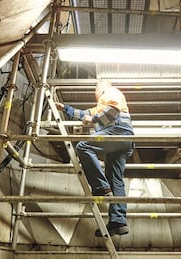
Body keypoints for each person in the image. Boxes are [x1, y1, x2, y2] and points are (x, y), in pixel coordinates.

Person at [56, 80, 134, 237]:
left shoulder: (110, 91)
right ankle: (118, 222)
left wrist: (94, 120)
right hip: (123, 140)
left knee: (83, 146)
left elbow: (113, 111)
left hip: (117, 132)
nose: (95, 95)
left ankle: (100, 187)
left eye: (95, 91)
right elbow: (87, 114)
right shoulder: (101, 105)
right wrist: (66, 108)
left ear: (99, 89)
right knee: (115, 179)